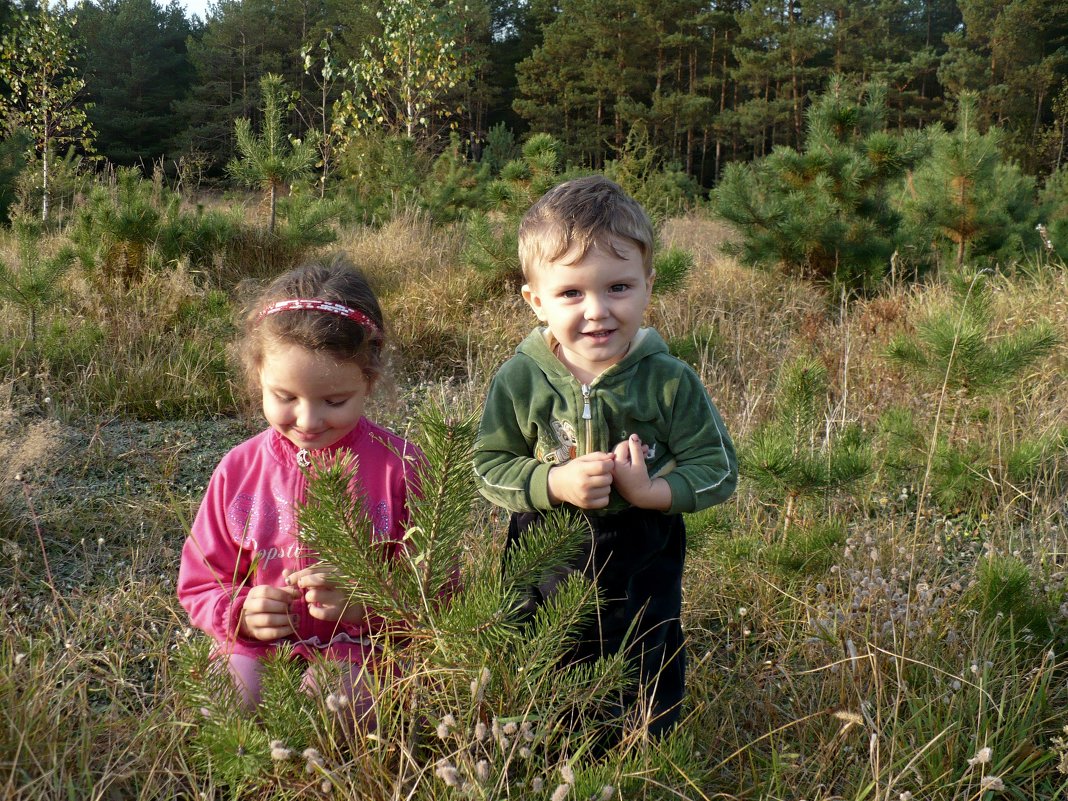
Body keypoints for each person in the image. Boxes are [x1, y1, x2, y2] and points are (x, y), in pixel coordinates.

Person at [473, 175, 737, 737]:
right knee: (540, 645)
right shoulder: (521, 379)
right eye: (571, 293)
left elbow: (717, 469)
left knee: (646, 644)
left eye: (618, 287)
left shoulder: (670, 381)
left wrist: (653, 493)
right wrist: (555, 482)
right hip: (546, 542)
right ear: (535, 301)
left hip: (643, 543)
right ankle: (542, 749)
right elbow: (489, 466)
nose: (597, 311)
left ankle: (639, 749)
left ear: (648, 285)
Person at [178, 256, 421, 716]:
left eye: (335, 400)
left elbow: (438, 590)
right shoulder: (239, 469)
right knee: (224, 706)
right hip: (257, 647)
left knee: (334, 707)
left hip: (363, 648)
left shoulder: (401, 468)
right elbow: (200, 581)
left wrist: (365, 603)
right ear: (259, 377)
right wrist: (240, 613)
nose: (308, 421)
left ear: (369, 380)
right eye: (285, 398)